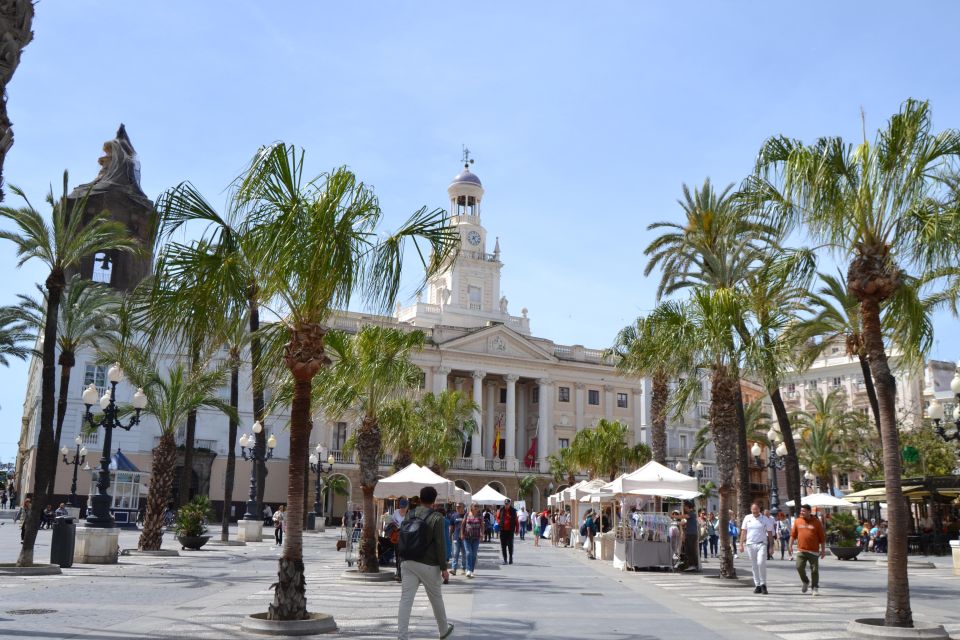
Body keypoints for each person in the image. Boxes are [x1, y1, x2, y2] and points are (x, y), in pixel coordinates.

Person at [397, 486, 454, 640]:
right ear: (434, 500)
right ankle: (443, 631)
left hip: (408, 561)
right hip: (429, 564)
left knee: (406, 600)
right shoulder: (437, 518)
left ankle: (402, 636)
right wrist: (444, 568)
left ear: (420, 498)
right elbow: (440, 544)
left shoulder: (410, 514)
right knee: (436, 598)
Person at [790, 503, 826, 596]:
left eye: (804, 511)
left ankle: (815, 587)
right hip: (801, 550)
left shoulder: (817, 522)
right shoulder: (798, 521)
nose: (801, 512)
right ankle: (805, 581)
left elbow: (822, 538)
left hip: (813, 551)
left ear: (809, 512)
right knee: (799, 567)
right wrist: (789, 546)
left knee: (814, 570)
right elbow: (793, 535)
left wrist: (823, 550)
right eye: (801, 511)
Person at [739, 503, 775, 594]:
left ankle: (763, 584)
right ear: (751, 510)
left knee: (761, 562)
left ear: (759, 509)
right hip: (750, 544)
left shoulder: (765, 519)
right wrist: (741, 544)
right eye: (753, 509)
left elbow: (770, 533)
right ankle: (757, 585)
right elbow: (743, 531)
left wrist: (771, 546)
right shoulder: (747, 518)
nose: (755, 511)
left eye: (756, 509)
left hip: (762, 544)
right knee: (754, 565)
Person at [461, 503, 483, 578]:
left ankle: (471, 570)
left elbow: (482, 525)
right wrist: (462, 534)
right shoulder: (467, 514)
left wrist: (482, 534)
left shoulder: (480, 515)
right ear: (471, 507)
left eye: (477, 506)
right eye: (475, 506)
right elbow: (463, 524)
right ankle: (468, 570)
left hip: (476, 537)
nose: (476, 507)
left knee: (473, 554)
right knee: (468, 553)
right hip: (467, 537)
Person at [496, 499, 520, 564]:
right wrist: (499, 522)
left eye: (507, 504)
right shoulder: (501, 510)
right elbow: (497, 518)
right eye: (505, 504)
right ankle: (505, 560)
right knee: (503, 545)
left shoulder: (513, 511)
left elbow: (516, 521)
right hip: (502, 530)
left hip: (510, 530)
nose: (506, 505)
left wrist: (517, 530)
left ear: (509, 504)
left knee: (510, 545)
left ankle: (510, 558)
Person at [449, 503, 466, 576]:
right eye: (456, 507)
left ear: (463, 508)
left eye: (459, 507)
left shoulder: (466, 515)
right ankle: (454, 569)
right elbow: (451, 526)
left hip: (465, 538)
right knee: (455, 554)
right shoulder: (454, 516)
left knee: (464, 554)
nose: (457, 508)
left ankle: (463, 568)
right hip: (456, 537)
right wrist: (450, 535)